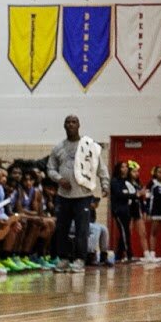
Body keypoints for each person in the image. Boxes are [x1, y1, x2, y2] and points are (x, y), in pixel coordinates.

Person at [44, 117, 108, 272]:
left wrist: (104, 184)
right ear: (64, 125)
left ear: (79, 125)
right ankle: (64, 259)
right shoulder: (58, 148)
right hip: (64, 196)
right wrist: (59, 179)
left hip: (83, 196)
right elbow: (50, 169)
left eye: (74, 122)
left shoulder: (89, 146)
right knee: (62, 229)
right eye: (67, 122)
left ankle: (80, 259)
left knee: (82, 229)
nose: (70, 124)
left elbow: (101, 167)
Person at [110, 161, 142, 262]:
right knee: (125, 232)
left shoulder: (127, 181)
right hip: (118, 210)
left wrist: (133, 194)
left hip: (126, 209)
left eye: (126, 167)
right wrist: (133, 195)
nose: (125, 169)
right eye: (123, 167)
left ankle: (119, 255)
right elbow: (120, 194)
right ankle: (129, 254)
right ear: (119, 169)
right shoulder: (115, 181)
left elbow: (130, 192)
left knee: (125, 232)